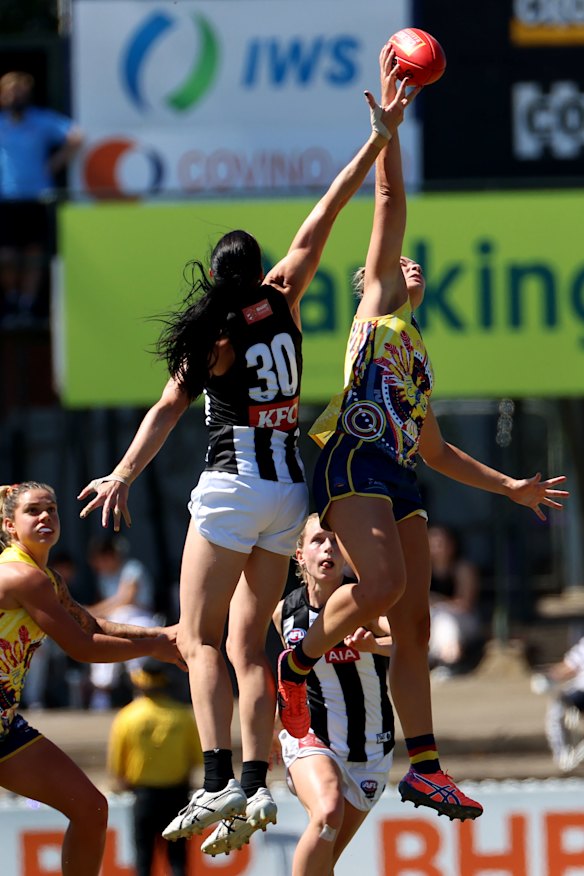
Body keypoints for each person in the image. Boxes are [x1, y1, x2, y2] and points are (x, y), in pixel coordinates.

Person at [77, 59, 420, 846]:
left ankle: (213, 782)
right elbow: (324, 219)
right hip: (288, 493)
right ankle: (257, 788)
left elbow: (168, 411)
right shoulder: (284, 299)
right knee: (249, 645)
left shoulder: (215, 339)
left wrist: (124, 472)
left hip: (232, 486)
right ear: (257, 269)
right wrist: (377, 141)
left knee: (197, 640)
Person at [277, 43, 570, 822]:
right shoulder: (373, 311)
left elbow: (435, 451)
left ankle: (428, 766)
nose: (407, 265)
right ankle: (295, 663)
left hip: (398, 472)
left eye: (412, 266)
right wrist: (391, 131)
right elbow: (387, 208)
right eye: (393, 264)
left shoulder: (415, 358)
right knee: (380, 588)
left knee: (411, 620)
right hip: (351, 462)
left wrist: (510, 486)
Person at [0, 481, 184, 876]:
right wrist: (153, 647)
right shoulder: (21, 577)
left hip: (4, 728)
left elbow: (92, 622)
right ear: (10, 526)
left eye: (51, 508)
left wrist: (162, 635)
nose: (46, 516)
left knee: (91, 808)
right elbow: (83, 647)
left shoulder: (46, 578)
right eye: (33, 511)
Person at [202, 513, 394, 870]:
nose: (329, 548)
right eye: (319, 540)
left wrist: (376, 646)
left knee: (325, 858)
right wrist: (275, 727)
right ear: (299, 554)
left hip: (371, 747)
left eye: (337, 541)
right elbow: (281, 674)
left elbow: (411, 644)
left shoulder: (362, 601)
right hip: (310, 738)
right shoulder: (283, 613)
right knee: (327, 813)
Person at [0, 71, 83, 328]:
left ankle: (27, 303)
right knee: (7, 256)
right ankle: (12, 299)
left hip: (38, 199)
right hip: (7, 200)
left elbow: (76, 135)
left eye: (21, 91)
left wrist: (55, 163)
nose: (16, 96)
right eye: (11, 91)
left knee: (35, 253)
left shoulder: (41, 120)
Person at [107, 658, 202, 876]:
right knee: (178, 860)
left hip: (144, 796)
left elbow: (116, 766)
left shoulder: (127, 717)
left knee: (143, 861)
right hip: (177, 795)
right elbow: (195, 759)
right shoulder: (181, 716)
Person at [87, 535, 157, 709]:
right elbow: (111, 606)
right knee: (100, 638)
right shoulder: (103, 576)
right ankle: (101, 691)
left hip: (139, 617)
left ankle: (142, 692)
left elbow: (126, 598)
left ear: (110, 556)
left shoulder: (132, 568)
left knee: (130, 636)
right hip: (115, 621)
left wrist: (91, 611)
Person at [427, 524, 482, 676]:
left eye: (442, 543)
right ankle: (439, 661)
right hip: (432, 617)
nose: (438, 548)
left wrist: (437, 601)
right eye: (433, 544)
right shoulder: (423, 569)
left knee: (445, 619)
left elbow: (465, 604)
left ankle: (450, 661)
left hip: (463, 620)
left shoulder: (462, 568)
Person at [531, 636, 584, 772]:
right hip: (580, 692)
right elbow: (569, 666)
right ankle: (562, 755)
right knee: (557, 708)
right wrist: (548, 678)